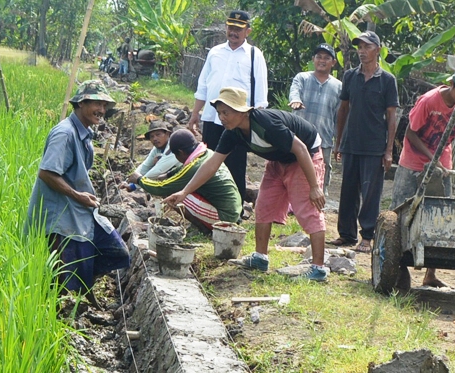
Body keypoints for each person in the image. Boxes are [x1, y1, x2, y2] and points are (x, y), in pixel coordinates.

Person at [164, 87, 328, 281]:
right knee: (264, 204)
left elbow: (300, 148)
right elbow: (212, 164)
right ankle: (260, 257)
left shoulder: (266, 123)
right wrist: (184, 192)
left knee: (307, 210)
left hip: (305, 156)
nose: (222, 118)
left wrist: (315, 187)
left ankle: (318, 269)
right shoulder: (232, 133)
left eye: (226, 112)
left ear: (242, 112)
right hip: (278, 159)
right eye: (219, 113)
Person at [26, 80, 130, 302]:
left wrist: (82, 196)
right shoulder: (65, 133)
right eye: (96, 103)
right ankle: (59, 312)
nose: (101, 110)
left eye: (104, 105)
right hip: (61, 217)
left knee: (117, 252)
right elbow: (46, 172)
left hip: (80, 211)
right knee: (59, 278)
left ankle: (82, 288)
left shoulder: (84, 132)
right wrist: (77, 195)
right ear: (81, 103)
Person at [390, 67, 455, 288]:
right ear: (452, 85)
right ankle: (397, 268)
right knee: (400, 213)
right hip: (413, 161)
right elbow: (410, 133)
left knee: (440, 214)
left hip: (443, 163)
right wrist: (432, 158)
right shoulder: (429, 101)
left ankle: (430, 273)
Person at [186, 10, 268, 204]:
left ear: (248, 31)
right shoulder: (215, 52)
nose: (234, 32)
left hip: (238, 122)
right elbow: (204, 85)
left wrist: (256, 125)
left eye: (239, 29)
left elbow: (261, 95)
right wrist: (195, 113)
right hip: (212, 118)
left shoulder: (255, 55)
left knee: (234, 165)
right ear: (226, 28)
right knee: (208, 162)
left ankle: (235, 209)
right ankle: (207, 207)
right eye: (231, 28)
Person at [328, 31, 399, 253]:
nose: (362, 51)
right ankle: (346, 234)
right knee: (347, 190)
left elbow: (392, 116)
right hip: (351, 142)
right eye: (359, 47)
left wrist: (388, 151)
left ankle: (367, 236)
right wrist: (338, 142)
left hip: (374, 146)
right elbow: (343, 109)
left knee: (370, 194)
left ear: (377, 50)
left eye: (367, 47)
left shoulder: (387, 80)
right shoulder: (350, 76)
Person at [136, 129, 242, 230]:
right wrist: (169, 174)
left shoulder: (194, 167)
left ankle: (204, 229)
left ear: (181, 152)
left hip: (225, 219)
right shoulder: (206, 153)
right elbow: (182, 169)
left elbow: (161, 188)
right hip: (233, 211)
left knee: (172, 193)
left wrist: (139, 180)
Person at [289, 43, 341, 197]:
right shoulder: (302, 77)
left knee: (322, 170)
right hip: (298, 137)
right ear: (313, 59)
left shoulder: (339, 87)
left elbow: (339, 118)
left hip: (323, 140)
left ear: (333, 62)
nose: (322, 60)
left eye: (326, 58)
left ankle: (320, 202)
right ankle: (292, 201)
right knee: (293, 167)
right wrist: (295, 100)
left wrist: (339, 143)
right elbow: (294, 91)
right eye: (319, 57)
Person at [120, 121, 182, 191]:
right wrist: (128, 180)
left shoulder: (172, 146)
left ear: (167, 134)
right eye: (152, 136)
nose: (155, 139)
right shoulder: (157, 148)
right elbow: (145, 166)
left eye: (158, 134)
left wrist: (134, 185)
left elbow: (158, 170)